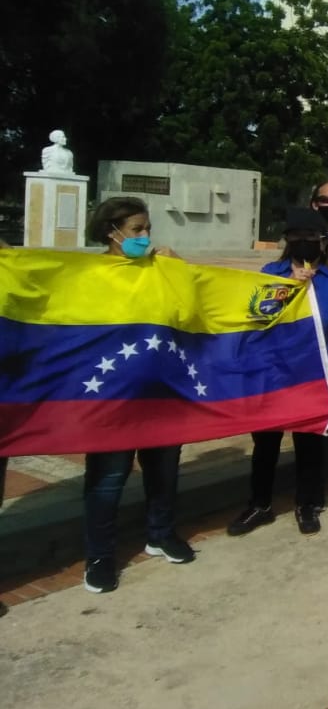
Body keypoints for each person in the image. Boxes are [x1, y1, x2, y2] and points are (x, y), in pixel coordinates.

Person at [228, 208, 328, 538]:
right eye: (297, 238)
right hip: (274, 376)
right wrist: (287, 287)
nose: (305, 244)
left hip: (317, 378)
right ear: (287, 240)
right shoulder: (270, 273)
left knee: (311, 446)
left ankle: (308, 504)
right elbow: (257, 320)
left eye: (311, 238)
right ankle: (260, 504)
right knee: (266, 446)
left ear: (323, 242)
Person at [80, 198, 190, 593]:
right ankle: (100, 556)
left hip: (161, 391)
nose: (145, 237)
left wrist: (180, 268)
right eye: (137, 229)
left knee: (164, 470)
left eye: (148, 229)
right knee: (108, 479)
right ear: (112, 232)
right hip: (112, 397)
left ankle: (160, 534)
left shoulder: (160, 268)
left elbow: (190, 308)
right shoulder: (89, 274)